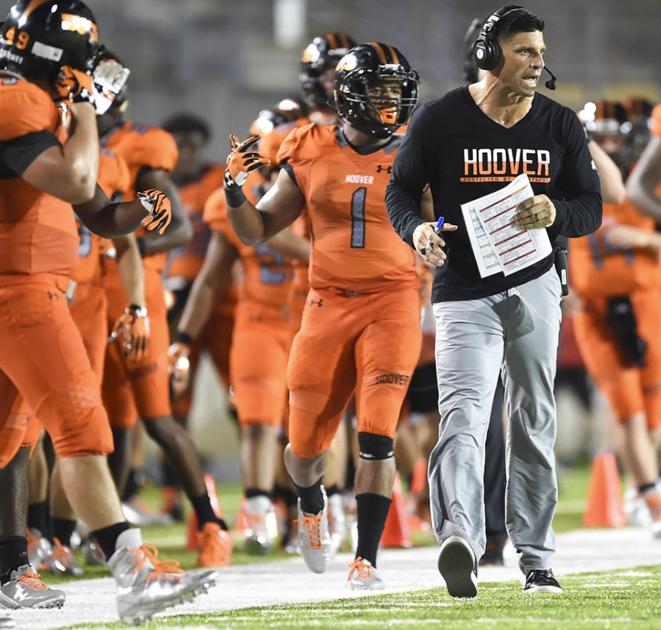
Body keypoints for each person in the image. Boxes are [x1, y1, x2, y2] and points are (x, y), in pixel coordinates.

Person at [0, 1, 214, 621]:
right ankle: (132, 570)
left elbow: (98, 212)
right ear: (52, 54)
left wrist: (144, 206)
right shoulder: (17, 100)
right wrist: (87, 111)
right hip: (19, 290)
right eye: (80, 59)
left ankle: (8, 569)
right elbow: (74, 182)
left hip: (30, 286)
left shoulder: (38, 106)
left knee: (9, 438)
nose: (87, 72)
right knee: (81, 425)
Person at [386, 5, 602, 597]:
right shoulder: (440, 119)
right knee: (463, 414)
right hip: (463, 287)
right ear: (489, 55)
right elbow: (398, 189)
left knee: (534, 417)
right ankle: (461, 537)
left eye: (540, 51)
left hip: (536, 282)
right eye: (525, 50)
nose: (537, 62)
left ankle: (537, 559)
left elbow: (591, 207)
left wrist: (557, 211)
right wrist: (416, 230)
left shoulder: (559, 124)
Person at [223, 41, 422, 589]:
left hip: (393, 300)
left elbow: (440, 219)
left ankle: (366, 559)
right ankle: (310, 503)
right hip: (326, 303)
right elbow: (257, 231)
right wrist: (234, 193)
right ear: (350, 96)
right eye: (379, 90)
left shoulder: (417, 149)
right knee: (304, 448)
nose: (391, 101)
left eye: (397, 90)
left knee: (377, 431)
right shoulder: (308, 146)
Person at [95, 49, 231, 568]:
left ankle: (212, 524)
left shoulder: (138, 145)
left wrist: (123, 246)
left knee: (156, 418)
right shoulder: (63, 139)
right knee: (102, 422)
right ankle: (95, 534)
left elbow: (176, 228)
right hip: (84, 295)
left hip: (135, 292)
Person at [169, 102, 310, 554]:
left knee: (307, 424)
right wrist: (184, 339)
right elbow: (211, 279)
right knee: (256, 417)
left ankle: (312, 507)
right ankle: (259, 508)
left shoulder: (321, 187)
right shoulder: (235, 200)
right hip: (258, 317)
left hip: (312, 315)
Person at [569, 100, 661, 537]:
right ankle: (650, 497)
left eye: (613, 138)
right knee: (628, 409)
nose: (606, 147)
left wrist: (644, 237)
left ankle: (646, 488)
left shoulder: (646, 185)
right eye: (597, 138)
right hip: (596, 313)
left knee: (654, 411)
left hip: (647, 304)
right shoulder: (569, 183)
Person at [160, 112, 229, 522]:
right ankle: (173, 493)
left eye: (192, 146)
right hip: (176, 304)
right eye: (179, 146)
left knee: (244, 397)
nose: (186, 153)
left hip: (225, 301)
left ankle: (274, 495)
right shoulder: (155, 187)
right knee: (172, 400)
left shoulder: (219, 181)